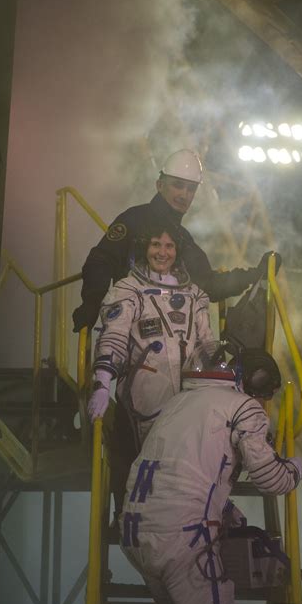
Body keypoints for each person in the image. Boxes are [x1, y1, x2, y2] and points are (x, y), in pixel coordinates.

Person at [120, 341, 302, 604]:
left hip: (134, 533)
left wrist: (225, 510)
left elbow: (182, 472)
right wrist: (296, 468)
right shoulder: (243, 407)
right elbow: (270, 480)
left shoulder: (178, 402)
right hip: (181, 537)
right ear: (255, 382)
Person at [73, 149, 280, 332]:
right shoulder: (133, 220)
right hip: (132, 331)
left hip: (172, 332)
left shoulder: (183, 239)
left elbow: (208, 284)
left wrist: (255, 275)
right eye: (178, 186)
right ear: (160, 185)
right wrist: (92, 301)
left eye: (191, 189)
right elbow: (101, 259)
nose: (184, 194)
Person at [87, 221, 215, 515]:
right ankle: (130, 517)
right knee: (140, 470)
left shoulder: (195, 295)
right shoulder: (128, 289)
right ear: (144, 248)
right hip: (143, 401)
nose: (162, 252)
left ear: (177, 251)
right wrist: (102, 384)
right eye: (156, 244)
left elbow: (207, 346)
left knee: (187, 471)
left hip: (188, 400)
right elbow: (114, 338)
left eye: (169, 245)